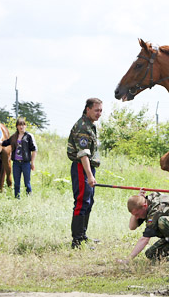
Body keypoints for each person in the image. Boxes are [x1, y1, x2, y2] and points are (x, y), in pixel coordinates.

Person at [67, 98, 102, 249]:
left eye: (101, 111)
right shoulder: (83, 127)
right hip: (82, 167)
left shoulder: (90, 125)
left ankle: (83, 235)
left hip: (87, 167)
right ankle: (77, 241)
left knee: (89, 201)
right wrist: (89, 175)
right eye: (96, 110)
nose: (99, 114)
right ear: (87, 109)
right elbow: (83, 154)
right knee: (82, 202)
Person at [0, 117, 37, 199]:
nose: (21, 127)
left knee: (27, 182)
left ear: (25, 126)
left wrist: (32, 162)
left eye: (23, 125)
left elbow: (34, 150)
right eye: (19, 125)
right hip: (16, 164)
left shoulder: (29, 136)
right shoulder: (14, 137)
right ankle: (17, 198)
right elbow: (4, 143)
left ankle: (29, 198)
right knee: (16, 183)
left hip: (25, 163)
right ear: (17, 126)